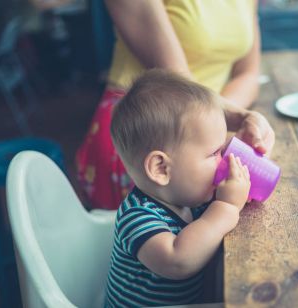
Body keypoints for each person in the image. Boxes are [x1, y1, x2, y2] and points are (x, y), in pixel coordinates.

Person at [76, 0, 275, 210]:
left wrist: (224, 126)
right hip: (145, 134)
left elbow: (248, 74)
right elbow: (180, 87)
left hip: (206, 131)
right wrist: (222, 123)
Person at [105, 69, 251, 307]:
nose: (223, 160)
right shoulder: (137, 216)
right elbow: (178, 260)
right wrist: (226, 206)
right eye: (214, 153)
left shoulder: (187, 196)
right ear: (161, 168)